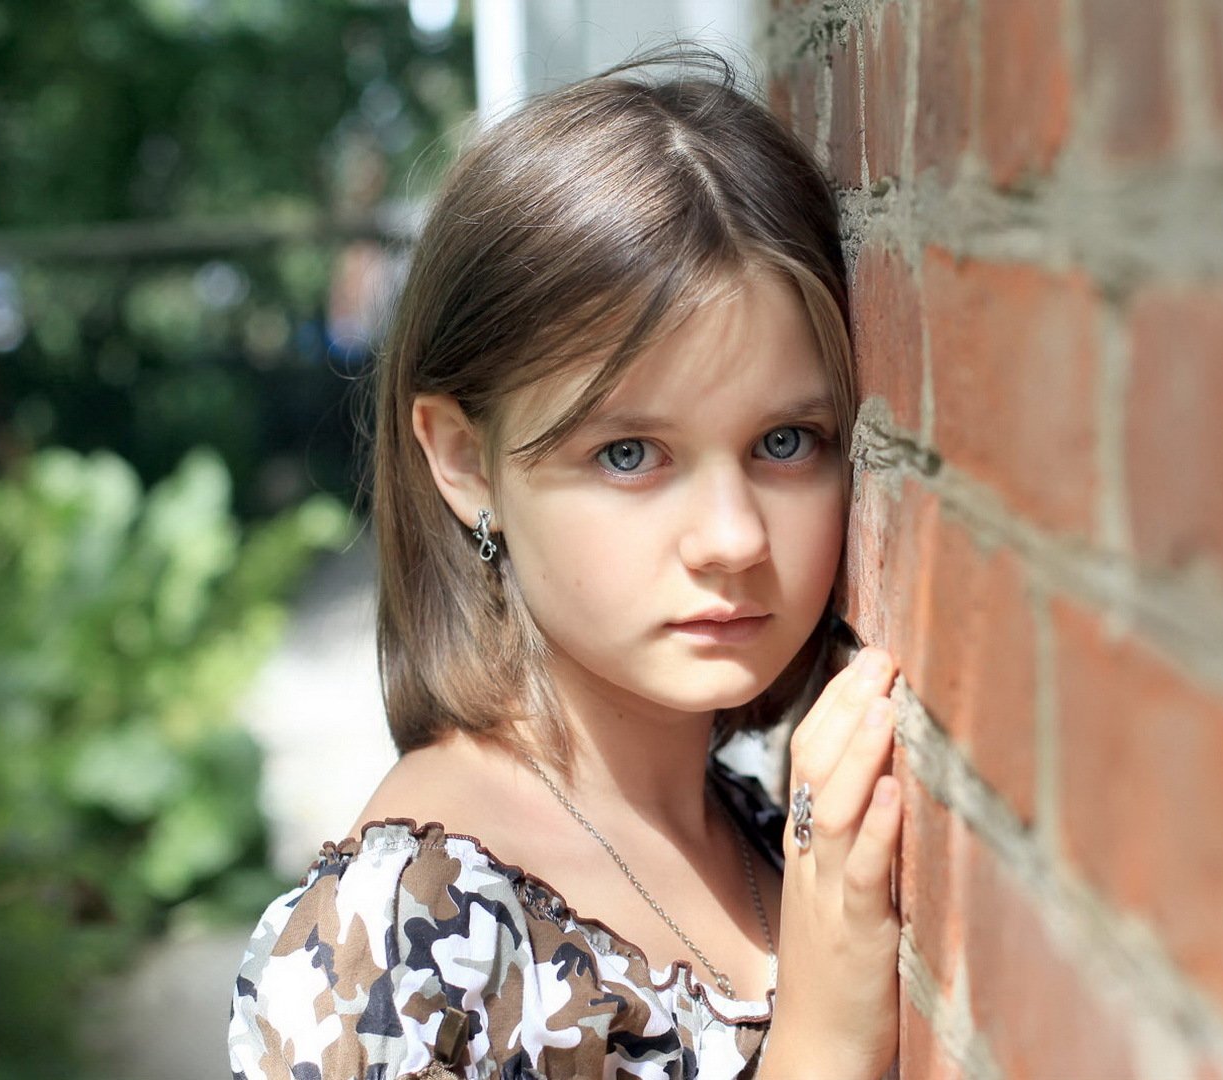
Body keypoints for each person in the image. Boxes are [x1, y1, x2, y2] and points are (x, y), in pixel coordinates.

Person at [227, 44, 907, 1080]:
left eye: (785, 443)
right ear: (465, 461)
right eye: (629, 454)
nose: (732, 538)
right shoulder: (391, 958)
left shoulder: (768, 836)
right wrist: (824, 1042)